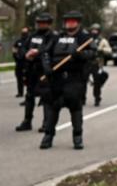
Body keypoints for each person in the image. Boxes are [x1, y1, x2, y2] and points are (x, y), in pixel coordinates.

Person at [39, 10, 95, 150]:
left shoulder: (84, 38)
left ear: (78, 23)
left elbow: (93, 53)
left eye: (73, 21)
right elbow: (45, 52)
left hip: (74, 79)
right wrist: (47, 67)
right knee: (53, 108)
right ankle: (48, 136)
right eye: (67, 21)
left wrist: (80, 54)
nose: (70, 24)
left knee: (75, 109)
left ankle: (77, 137)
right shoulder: (57, 37)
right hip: (57, 78)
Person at [15, 12, 57, 132]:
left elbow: (50, 49)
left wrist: (37, 53)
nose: (40, 25)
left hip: (44, 69)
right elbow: (23, 47)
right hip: (31, 69)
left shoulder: (53, 36)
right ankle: (27, 121)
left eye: (43, 23)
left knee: (46, 97)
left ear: (49, 24)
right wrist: (25, 54)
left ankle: (46, 123)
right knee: (29, 96)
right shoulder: (32, 35)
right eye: (39, 23)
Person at [87, 23, 112, 107]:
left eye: (96, 30)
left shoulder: (102, 41)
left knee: (97, 81)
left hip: (96, 64)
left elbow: (109, 50)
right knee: (81, 81)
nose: (94, 32)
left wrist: (101, 50)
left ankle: (97, 98)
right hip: (86, 63)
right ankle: (81, 99)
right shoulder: (87, 40)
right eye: (92, 30)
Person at [12, 26, 31, 98]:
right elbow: (14, 48)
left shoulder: (30, 41)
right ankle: (20, 92)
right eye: (23, 32)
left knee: (28, 78)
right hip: (19, 62)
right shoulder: (19, 41)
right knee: (19, 77)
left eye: (25, 32)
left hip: (27, 62)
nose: (24, 34)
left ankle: (30, 92)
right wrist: (15, 56)